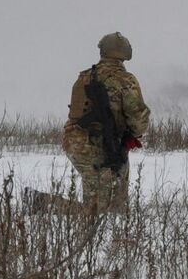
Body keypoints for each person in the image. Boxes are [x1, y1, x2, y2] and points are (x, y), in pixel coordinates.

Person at [43, 32, 149, 213]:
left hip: (75, 144)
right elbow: (138, 118)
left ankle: (44, 205)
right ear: (124, 53)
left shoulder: (84, 77)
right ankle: (44, 205)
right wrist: (134, 133)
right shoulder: (125, 80)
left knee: (97, 199)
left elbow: (76, 113)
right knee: (108, 207)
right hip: (103, 147)